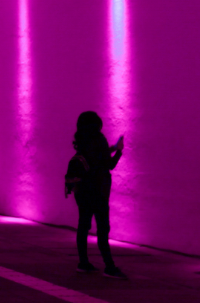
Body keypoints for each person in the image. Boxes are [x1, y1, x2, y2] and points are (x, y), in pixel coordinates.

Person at [64, 111, 127, 279]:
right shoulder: (99, 139)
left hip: (82, 191)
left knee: (83, 226)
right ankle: (109, 266)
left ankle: (83, 263)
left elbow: (94, 158)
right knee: (102, 229)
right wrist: (119, 151)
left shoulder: (81, 140)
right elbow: (109, 164)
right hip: (98, 191)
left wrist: (111, 149)